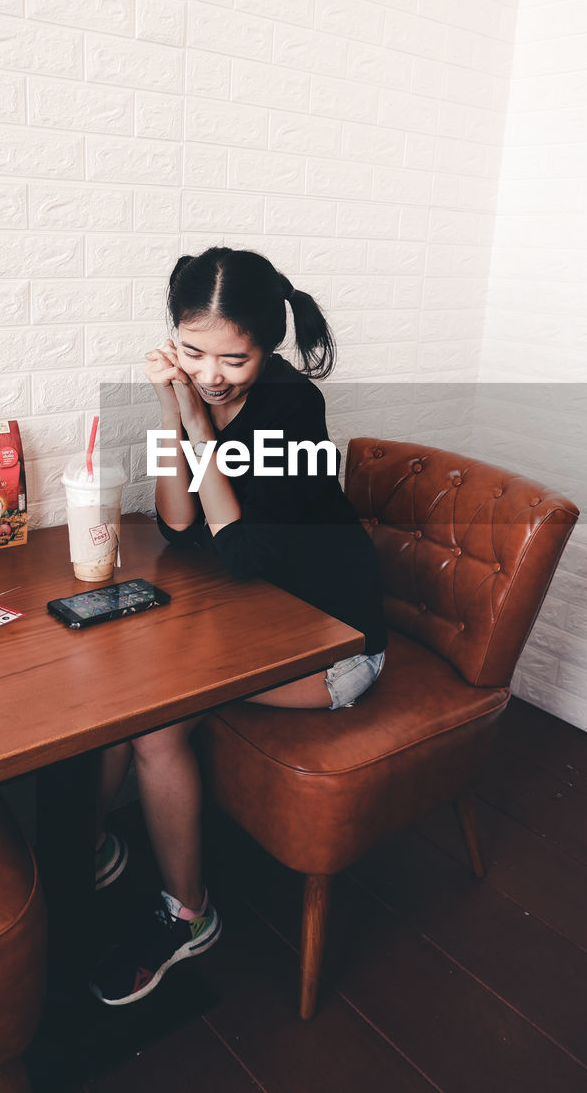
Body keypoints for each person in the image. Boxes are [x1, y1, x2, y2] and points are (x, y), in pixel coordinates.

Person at [89, 246, 386, 1006]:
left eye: (234, 358)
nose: (212, 373)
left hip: (336, 639)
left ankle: (190, 916)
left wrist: (196, 420)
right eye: (191, 352)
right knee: (120, 682)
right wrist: (171, 411)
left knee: (154, 722)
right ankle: (84, 848)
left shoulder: (290, 408)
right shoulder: (191, 391)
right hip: (258, 616)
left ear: (267, 348)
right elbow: (176, 518)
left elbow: (246, 554)